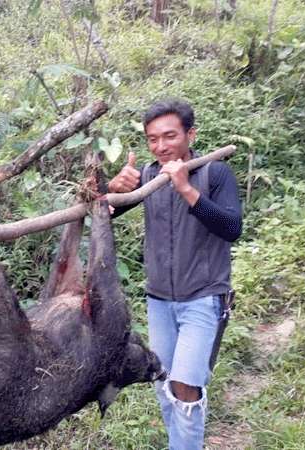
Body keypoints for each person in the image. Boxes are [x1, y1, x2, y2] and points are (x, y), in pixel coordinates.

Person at [107, 99, 242, 450]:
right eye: (153, 139)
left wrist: (185, 188)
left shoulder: (215, 173)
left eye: (170, 136)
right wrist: (114, 191)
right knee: (164, 382)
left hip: (204, 297)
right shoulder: (150, 176)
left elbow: (232, 227)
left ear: (190, 134)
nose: (161, 146)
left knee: (185, 385)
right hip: (160, 301)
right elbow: (103, 216)